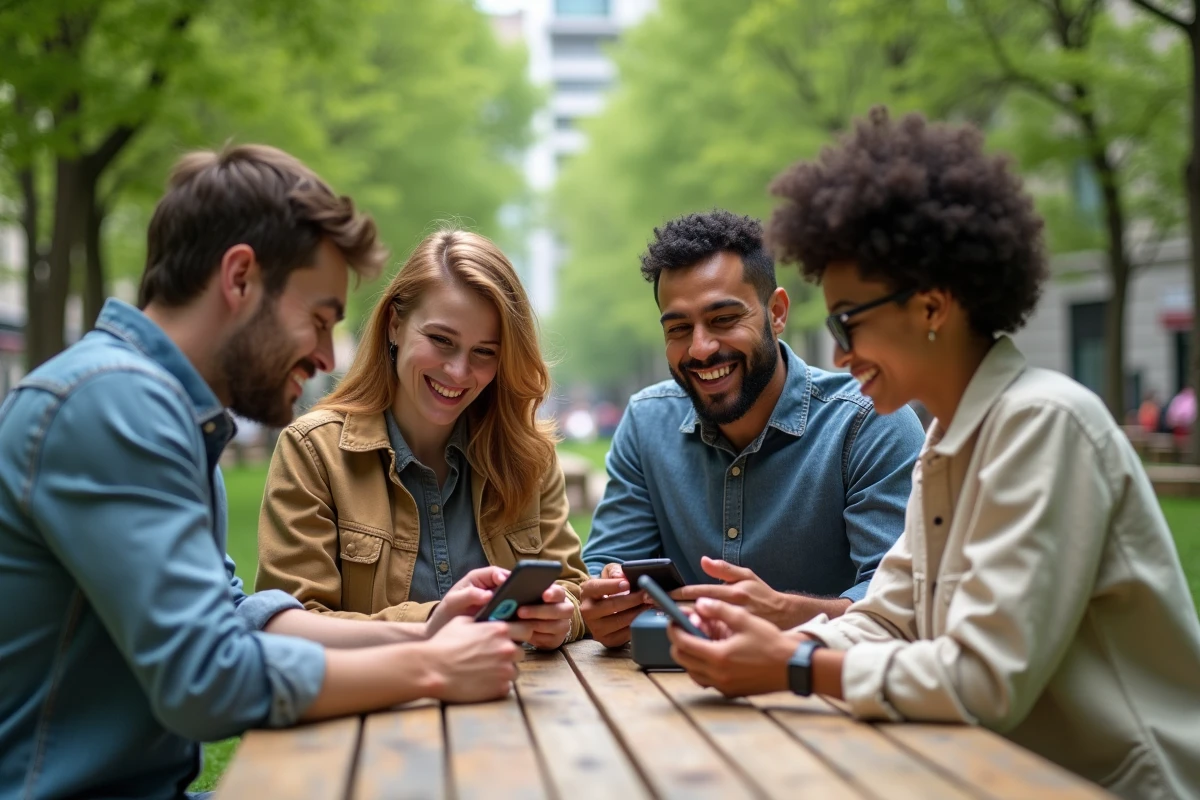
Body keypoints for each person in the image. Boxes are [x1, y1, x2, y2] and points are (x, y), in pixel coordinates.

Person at [665, 108, 1200, 799]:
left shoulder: (1044, 423)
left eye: (848, 319)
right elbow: (889, 619)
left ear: (932, 307)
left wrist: (795, 664)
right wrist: (763, 645)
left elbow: (985, 679)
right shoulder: (949, 438)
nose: (837, 352)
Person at [0, 145, 531, 799]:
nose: (326, 354)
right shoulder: (110, 405)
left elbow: (237, 617)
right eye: (318, 319)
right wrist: (429, 667)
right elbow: (206, 680)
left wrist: (424, 630)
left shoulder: (164, 414)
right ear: (241, 278)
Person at [580, 210, 926, 647]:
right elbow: (608, 565)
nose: (700, 348)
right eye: (679, 328)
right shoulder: (645, 421)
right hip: (666, 696)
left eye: (723, 319)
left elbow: (904, 607)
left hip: (830, 696)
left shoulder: (871, 421)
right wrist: (604, 601)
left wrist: (788, 614)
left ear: (777, 312)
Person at [256, 229, 588, 650]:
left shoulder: (526, 455)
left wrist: (564, 617)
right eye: (441, 341)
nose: (458, 372)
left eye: (484, 352)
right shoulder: (312, 453)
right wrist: (433, 621)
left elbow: (572, 587)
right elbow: (289, 623)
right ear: (395, 324)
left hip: (516, 703)